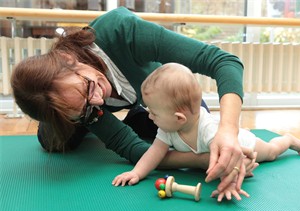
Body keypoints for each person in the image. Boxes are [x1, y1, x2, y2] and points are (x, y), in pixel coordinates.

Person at [11, 6, 248, 192]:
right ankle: (66, 122)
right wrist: (201, 160)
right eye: (83, 108)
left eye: (88, 87)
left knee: (189, 126)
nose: (97, 101)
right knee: (56, 142)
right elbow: (135, 150)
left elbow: (224, 62)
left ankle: (139, 116)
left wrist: (228, 131)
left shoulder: (122, 30)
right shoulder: (84, 108)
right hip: (61, 123)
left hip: (146, 95)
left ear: (68, 58)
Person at [112, 63, 300, 202]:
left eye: (153, 113)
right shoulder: (167, 128)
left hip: (244, 144)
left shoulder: (207, 130)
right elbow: (154, 152)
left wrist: (230, 184)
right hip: (222, 145)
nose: (149, 117)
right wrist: (136, 172)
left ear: (179, 118)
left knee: (272, 152)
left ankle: (288, 140)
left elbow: (229, 160)